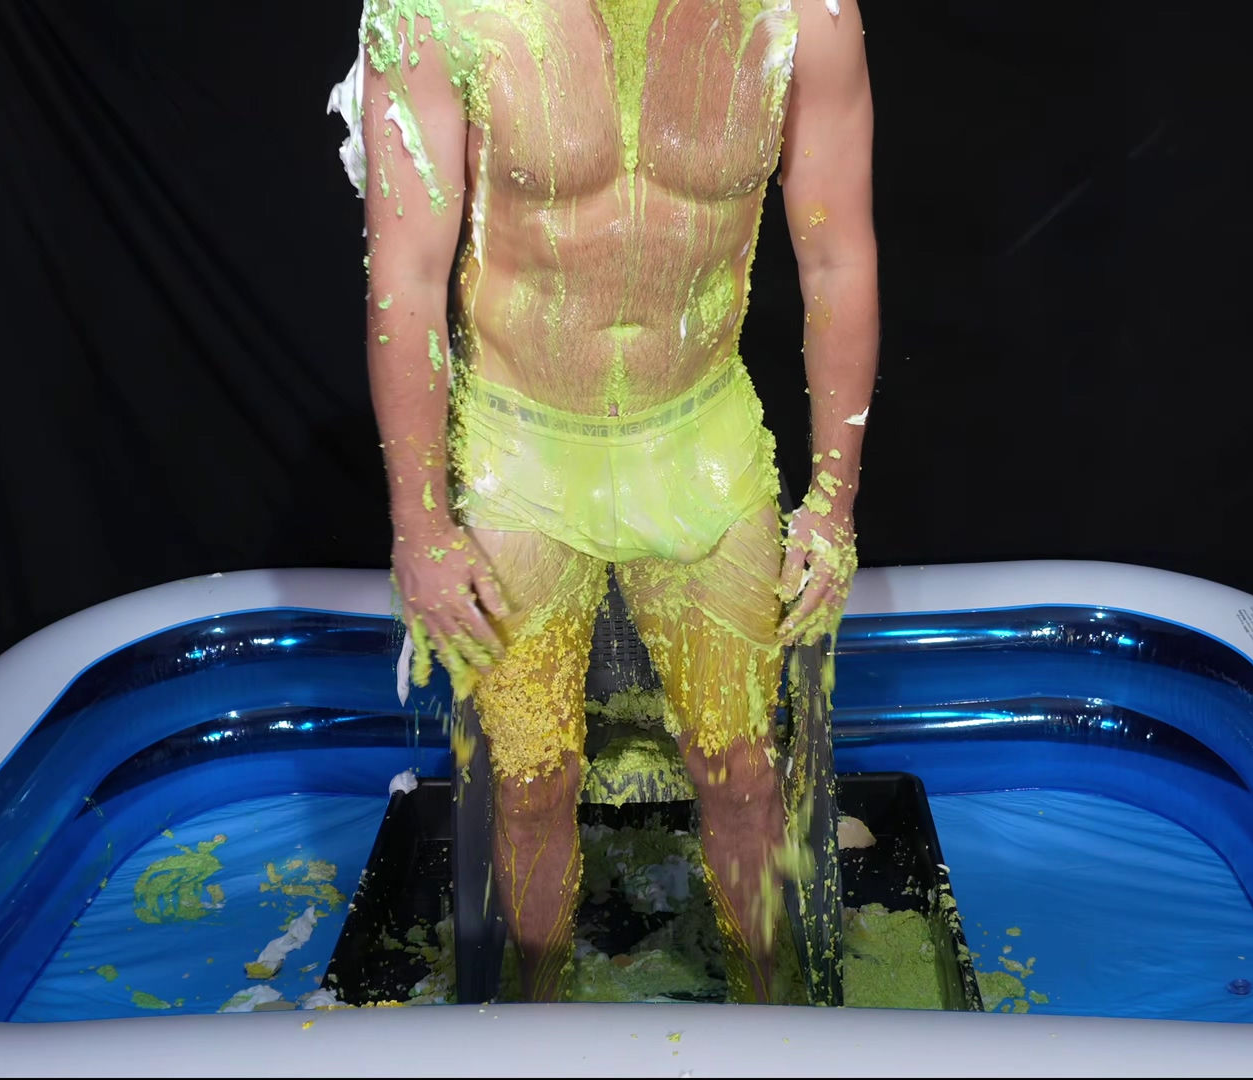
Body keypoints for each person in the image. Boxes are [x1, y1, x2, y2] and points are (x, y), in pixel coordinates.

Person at [330, 0, 875, 1003]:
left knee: (746, 771)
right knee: (530, 786)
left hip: (699, 434)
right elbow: (407, 278)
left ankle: (774, 1015)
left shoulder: (805, 15)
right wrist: (421, 526)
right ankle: (536, 1018)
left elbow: (836, 256)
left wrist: (833, 503)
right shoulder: (437, 13)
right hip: (519, 447)